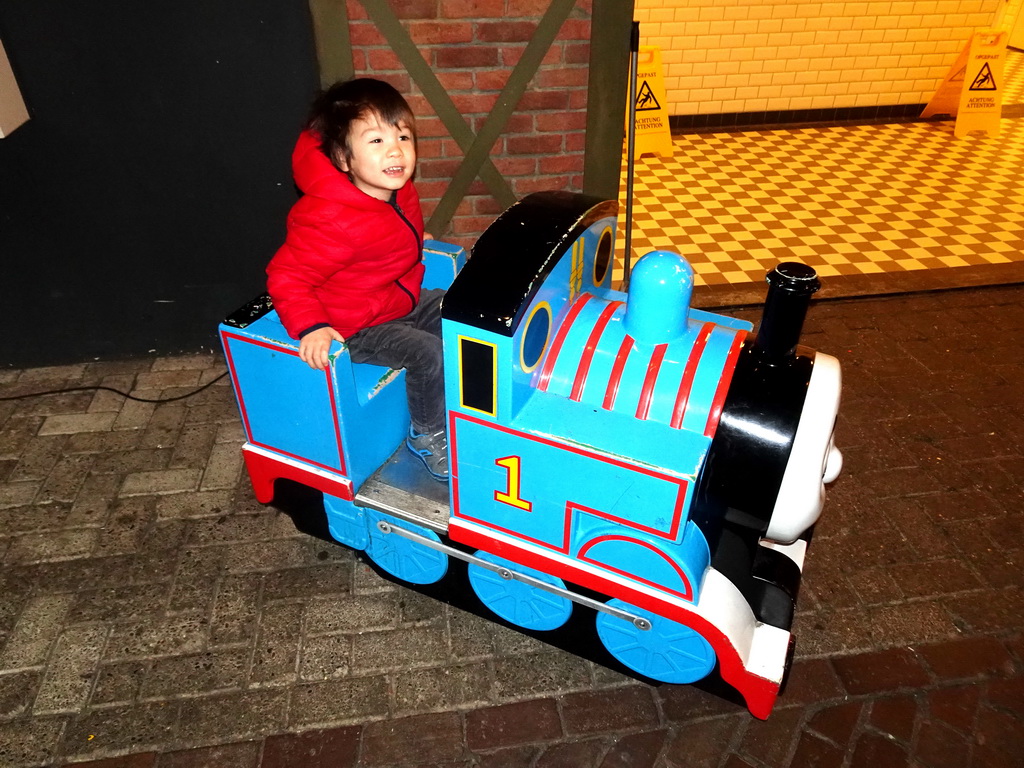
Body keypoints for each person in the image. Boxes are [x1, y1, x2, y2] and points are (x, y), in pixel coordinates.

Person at [266, 78, 447, 481]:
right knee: (426, 353)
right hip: (356, 324)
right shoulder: (331, 220)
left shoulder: (399, 191)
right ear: (345, 160)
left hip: (395, 297)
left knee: (457, 313)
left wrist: (415, 241)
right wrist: (312, 326)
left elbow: (386, 233)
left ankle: (465, 404)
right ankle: (428, 433)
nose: (396, 149)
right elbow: (287, 275)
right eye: (376, 141)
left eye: (402, 135)